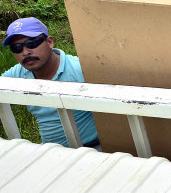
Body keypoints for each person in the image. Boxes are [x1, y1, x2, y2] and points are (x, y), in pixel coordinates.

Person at [1, 17, 99, 149]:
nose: (25, 52)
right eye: (16, 48)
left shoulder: (80, 70)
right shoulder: (19, 73)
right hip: (48, 150)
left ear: (50, 42)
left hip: (92, 147)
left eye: (32, 43)